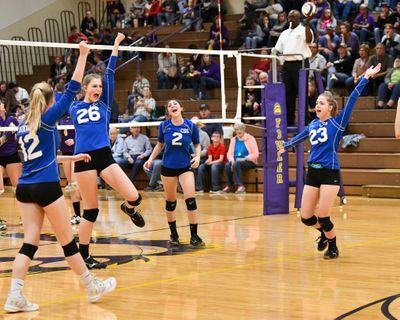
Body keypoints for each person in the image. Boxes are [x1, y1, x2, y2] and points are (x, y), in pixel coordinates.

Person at [3, 42, 116, 314]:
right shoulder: (48, 118)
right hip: (46, 187)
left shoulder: (22, 125)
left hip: (25, 189)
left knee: (30, 241)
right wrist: (84, 55)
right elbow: (75, 86)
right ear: (51, 100)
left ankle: (14, 296)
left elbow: (40, 156)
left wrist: (71, 159)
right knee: (67, 241)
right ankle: (91, 286)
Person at [278, 64, 381, 260]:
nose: (318, 105)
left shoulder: (337, 122)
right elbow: (301, 136)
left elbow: (352, 100)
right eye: (317, 102)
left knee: (323, 215)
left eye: (322, 103)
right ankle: (324, 235)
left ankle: (333, 245)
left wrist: (365, 78)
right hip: (313, 173)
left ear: (331, 107)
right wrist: (287, 144)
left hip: (329, 172)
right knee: (306, 217)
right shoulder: (313, 124)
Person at [70, 33, 145, 270]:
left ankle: (128, 208)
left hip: (104, 156)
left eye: (100, 87)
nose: (99, 89)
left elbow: (110, 74)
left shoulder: (103, 104)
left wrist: (115, 47)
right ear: (85, 88)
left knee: (134, 196)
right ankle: (84, 256)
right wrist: (82, 57)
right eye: (94, 86)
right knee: (90, 211)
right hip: (83, 159)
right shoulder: (73, 106)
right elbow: (72, 85)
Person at [143, 99, 204, 247]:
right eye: (169, 105)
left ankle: (194, 236)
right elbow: (160, 144)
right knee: (171, 202)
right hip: (168, 167)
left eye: (175, 104)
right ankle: (174, 234)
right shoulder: (164, 126)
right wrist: (150, 159)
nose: (172, 106)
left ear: (181, 107)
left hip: (185, 166)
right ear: (168, 111)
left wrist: (197, 156)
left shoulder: (190, 125)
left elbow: (197, 144)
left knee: (190, 199)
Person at [272, 10, 313, 126]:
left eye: (293, 17)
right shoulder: (284, 33)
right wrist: (276, 56)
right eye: (289, 17)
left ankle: (304, 121)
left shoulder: (304, 29)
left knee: (302, 93)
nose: (291, 19)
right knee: (288, 94)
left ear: (299, 18)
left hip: (300, 64)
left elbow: (309, 41)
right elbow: (277, 49)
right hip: (287, 65)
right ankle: (289, 121)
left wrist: (308, 24)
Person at [0, 99, 21, 231]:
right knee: (0, 189)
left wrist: (10, 134)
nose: (2, 105)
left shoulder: (11, 119)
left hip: (12, 155)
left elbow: (21, 130)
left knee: (18, 188)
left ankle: (24, 216)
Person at [223, 122, 259, 194]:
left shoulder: (251, 138)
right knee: (227, 165)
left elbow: (256, 154)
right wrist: (232, 160)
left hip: (249, 161)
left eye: (240, 129)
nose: (239, 131)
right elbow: (229, 153)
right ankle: (230, 186)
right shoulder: (233, 140)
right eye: (237, 129)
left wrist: (245, 158)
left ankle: (241, 186)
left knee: (237, 164)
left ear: (244, 129)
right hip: (236, 161)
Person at [59, 113, 82, 225]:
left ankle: (83, 213)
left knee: (73, 183)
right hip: (65, 153)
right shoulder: (61, 118)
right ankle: (77, 215)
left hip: (76, 153)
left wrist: (74, 140)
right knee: (71, 186)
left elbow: (84, 133)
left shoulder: (78, 117)